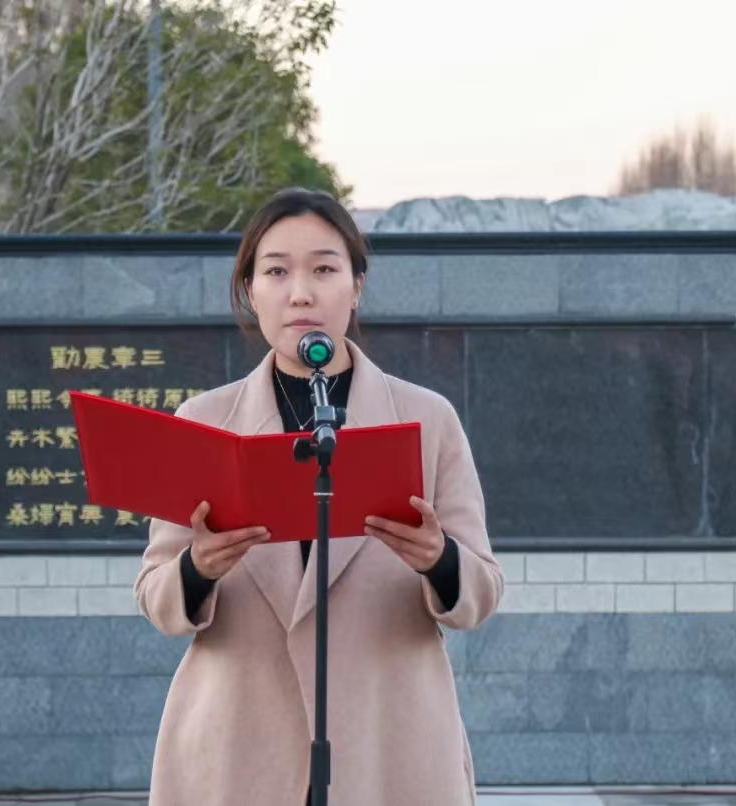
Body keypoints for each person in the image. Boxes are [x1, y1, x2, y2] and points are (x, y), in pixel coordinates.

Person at [134, 187, 504, 806]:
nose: (300, 292)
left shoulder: (426, 419)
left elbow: (482, 591)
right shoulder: (204, 422)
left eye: (325, 270)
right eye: (277, 271)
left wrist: (439, 559)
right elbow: (156, 596)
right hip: (239, 749)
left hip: (388, 746)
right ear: (250, 289)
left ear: (356, 287)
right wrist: (198, 569)